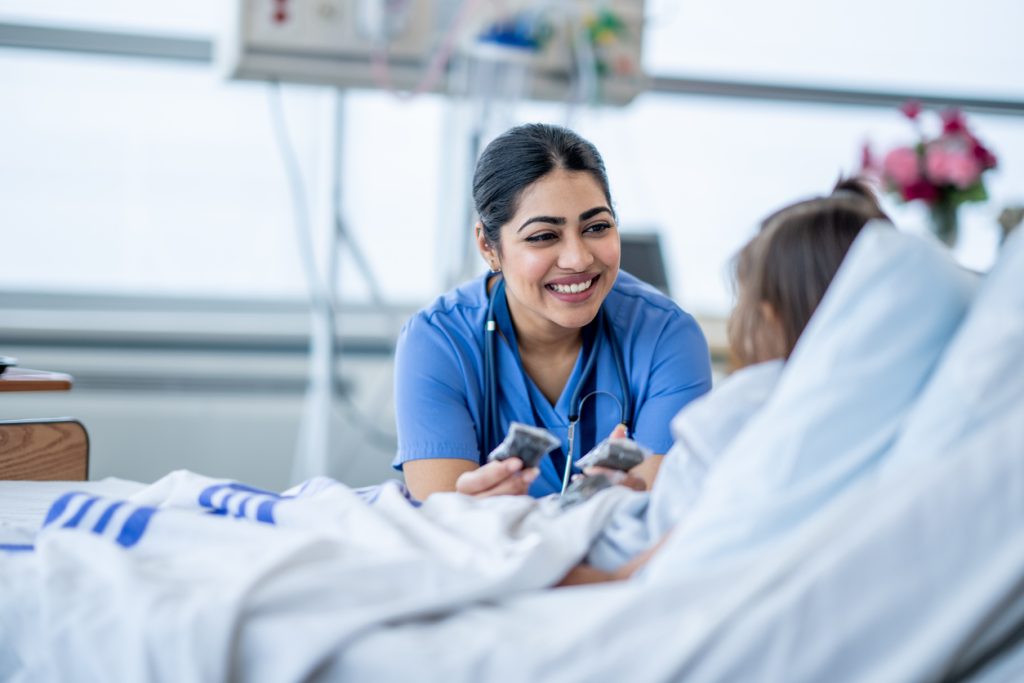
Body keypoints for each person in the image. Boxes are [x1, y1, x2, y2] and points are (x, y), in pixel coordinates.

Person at [561, 177, 892, 584]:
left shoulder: (753, 401)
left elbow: (675, 547)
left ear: (767, 317)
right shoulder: (872, 409)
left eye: (742, 301)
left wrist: (600, 499)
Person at [393, 123, 713, 500]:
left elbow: (659, 520)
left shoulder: (668, 337)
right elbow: (442, 524)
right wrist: (465, 511)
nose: (578, 259)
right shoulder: (438, 341)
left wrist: (633, 503)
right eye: (543, 236)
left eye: (596, 227)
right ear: (488, 246)